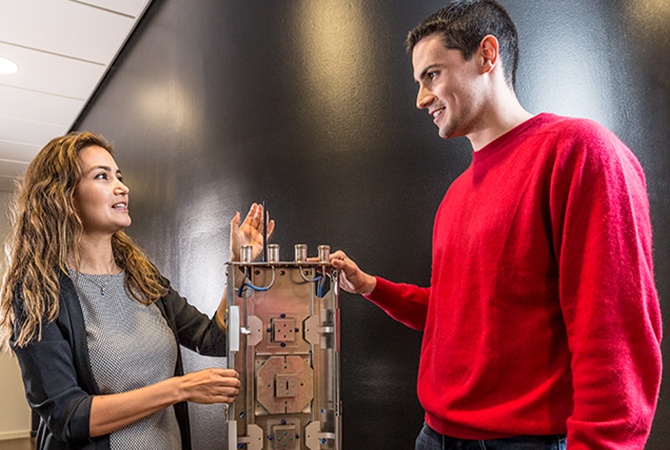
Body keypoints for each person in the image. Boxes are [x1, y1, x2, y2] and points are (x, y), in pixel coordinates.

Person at [329, 1, 662, 449]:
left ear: (487, 55)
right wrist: (371, 286)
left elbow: (614, 334)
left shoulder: (578, 152)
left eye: (432, 75)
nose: (421, 99)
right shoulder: (455, 196)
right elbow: (455, 315)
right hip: (435, 436)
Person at [0, 131, 274, 450]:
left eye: (119, 176)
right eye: (102, 176)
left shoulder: (143, 279)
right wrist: (180, 389)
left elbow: (214, 338)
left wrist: (239, 266)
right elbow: (69, 417)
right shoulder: (37, 294)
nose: (122, 187)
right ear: (63, 197)